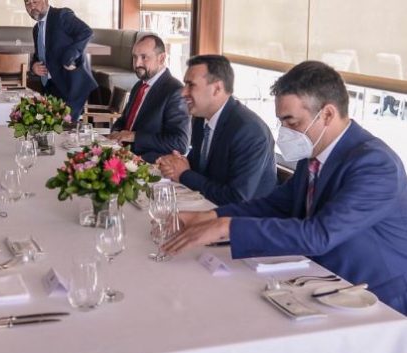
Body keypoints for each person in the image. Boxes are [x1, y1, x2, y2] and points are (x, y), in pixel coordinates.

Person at [164, 61, 407, 315]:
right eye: (281, 122)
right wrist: (209, 216)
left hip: (375, 299)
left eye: (292, 122)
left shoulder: (376, 164)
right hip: (321, 282)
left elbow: (319, 235)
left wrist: (227, 227)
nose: (285, 133)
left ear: (327, 114)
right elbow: (275, 205)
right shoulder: (313, 152)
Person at [157, 55, 276, 205]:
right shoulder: (201, 118)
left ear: (217, 89)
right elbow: (200, 169)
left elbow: (236, 198)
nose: (183, 92)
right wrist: (176, 163)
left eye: (191, 85)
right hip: (206, 206)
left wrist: (184, 174)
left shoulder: (249, 131)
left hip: (245, 216)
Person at [108, 35, 190, 164]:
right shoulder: (139, 86)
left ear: (161, 58)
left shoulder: (175, 91)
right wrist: (116, 133)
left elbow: (179, 143)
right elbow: (124, 120)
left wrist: (134, 136)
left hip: (148, 164)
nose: (137, 64)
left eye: (144, 57)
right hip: (123, 156)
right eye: (134, 57)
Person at [25, 0, 98, 121]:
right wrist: (33, 66)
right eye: (27, 3)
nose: (31, 6)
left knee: (65, 128)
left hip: (70, 85)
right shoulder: (36, 29)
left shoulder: (61, 15)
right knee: (50, 128)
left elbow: (86, 32)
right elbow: (39, 55)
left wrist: (69, 57)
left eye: (35, 1)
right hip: (50, 87)